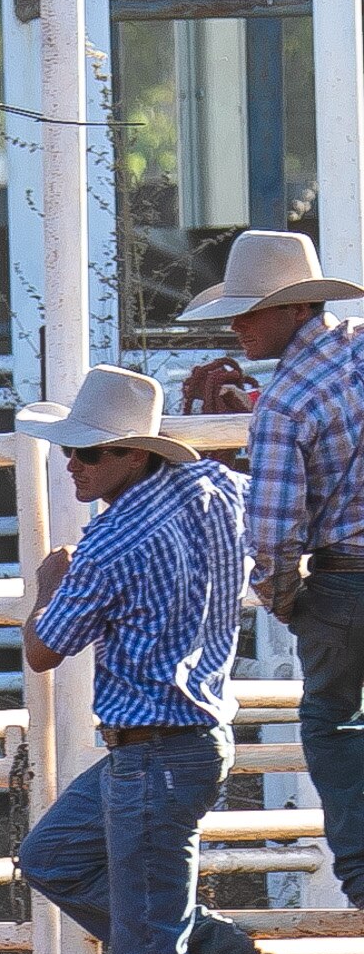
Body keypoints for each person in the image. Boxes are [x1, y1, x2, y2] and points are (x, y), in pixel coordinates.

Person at [16, 365, 272, 954]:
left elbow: (44, 646)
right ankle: (217, 951)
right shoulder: (215, 488)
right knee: (54, 859)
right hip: (186, 741)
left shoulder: (112, 540)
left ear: (130, 454)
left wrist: (51, 580)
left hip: (150, 749)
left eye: (86, 454)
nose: (72, 468)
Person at [176, 230, 364, 910]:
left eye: (250, 311)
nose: (237, 324)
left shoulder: (287, 402)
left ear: (293, 310)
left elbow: (276, 535)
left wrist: (284, 598)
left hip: (345, 582)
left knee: (334, 725)